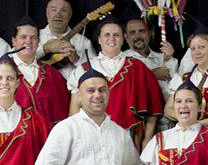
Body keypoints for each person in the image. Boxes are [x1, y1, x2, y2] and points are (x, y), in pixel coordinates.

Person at [67, 18, 164, 150]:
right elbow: (75, 110)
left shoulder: (138, 66)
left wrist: (147, 139)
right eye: (106, 35)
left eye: (116, 35)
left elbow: (154, 108)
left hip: (131, 136)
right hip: (92, 136)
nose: (111, 39)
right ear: (99, 39)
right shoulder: (84, 69)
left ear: (123, 39)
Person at [0, 13, 70, 126]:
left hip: (46, 140)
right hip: (12, 140)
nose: (28, 42)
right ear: (14, 41)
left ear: (38, 42)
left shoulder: (52, 74)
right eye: (23, 37)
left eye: (33, 38)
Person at [124, 18, 178, 130]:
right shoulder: (122, 61)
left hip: (169, 123)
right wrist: (151, 75)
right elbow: (125, 92)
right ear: (126, 37)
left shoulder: (162, 58)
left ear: (149, 33)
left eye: (141, 31)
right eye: (132, 32)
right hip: (139, 127)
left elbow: (176, 87)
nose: (138, 36)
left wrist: (168, 59)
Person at [36, 0, 96, 80]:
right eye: (54, 10)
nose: (58, 15)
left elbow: (95, 71)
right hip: (41, 91)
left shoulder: (83, 42)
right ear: (47, 13)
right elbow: (18, 61)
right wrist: (45, 48)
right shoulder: (34, 37)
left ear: (70, 15)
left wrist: (77, 60)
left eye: (64, 10)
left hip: (74, 92)